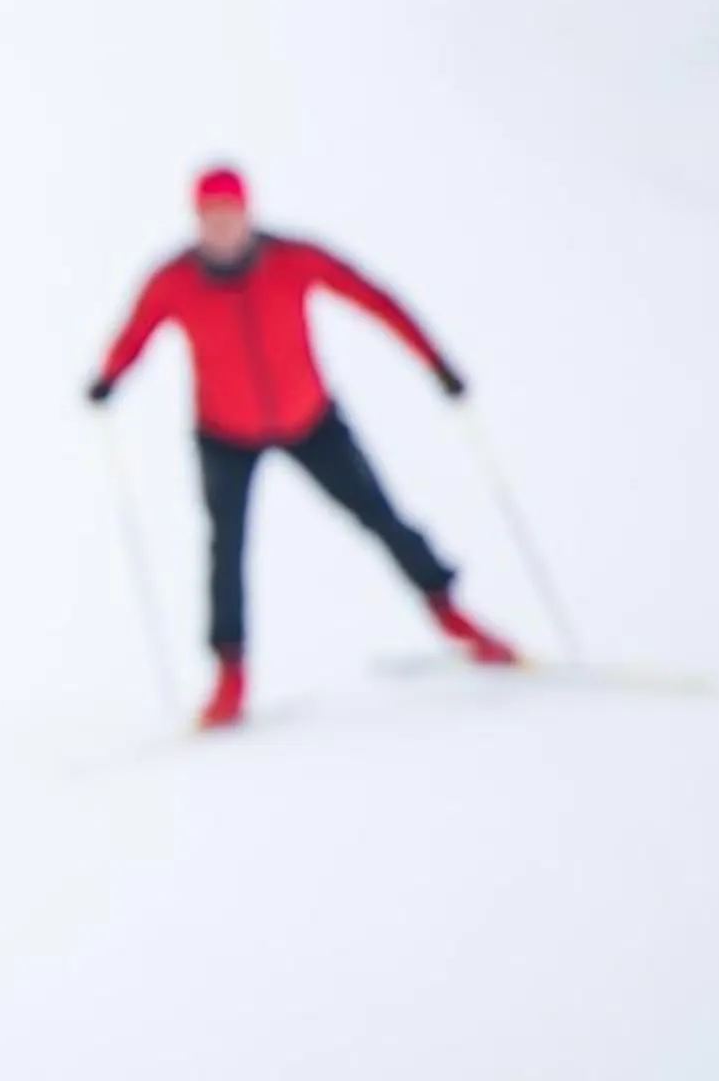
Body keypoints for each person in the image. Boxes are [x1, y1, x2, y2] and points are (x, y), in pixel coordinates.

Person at [87, 165, 518, 727]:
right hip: (224, 434)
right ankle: (230, 676)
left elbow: (375, 300)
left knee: (381, 515)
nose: (221, 228)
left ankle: (454, 616)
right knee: (225, 552)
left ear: (248, 214)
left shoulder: (293, 261)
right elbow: (136, 332)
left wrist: (436, 362)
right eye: (210, 218)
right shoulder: (174, 281)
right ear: (197, 222)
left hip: (310, 420)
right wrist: (109, 378)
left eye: (229, 215)